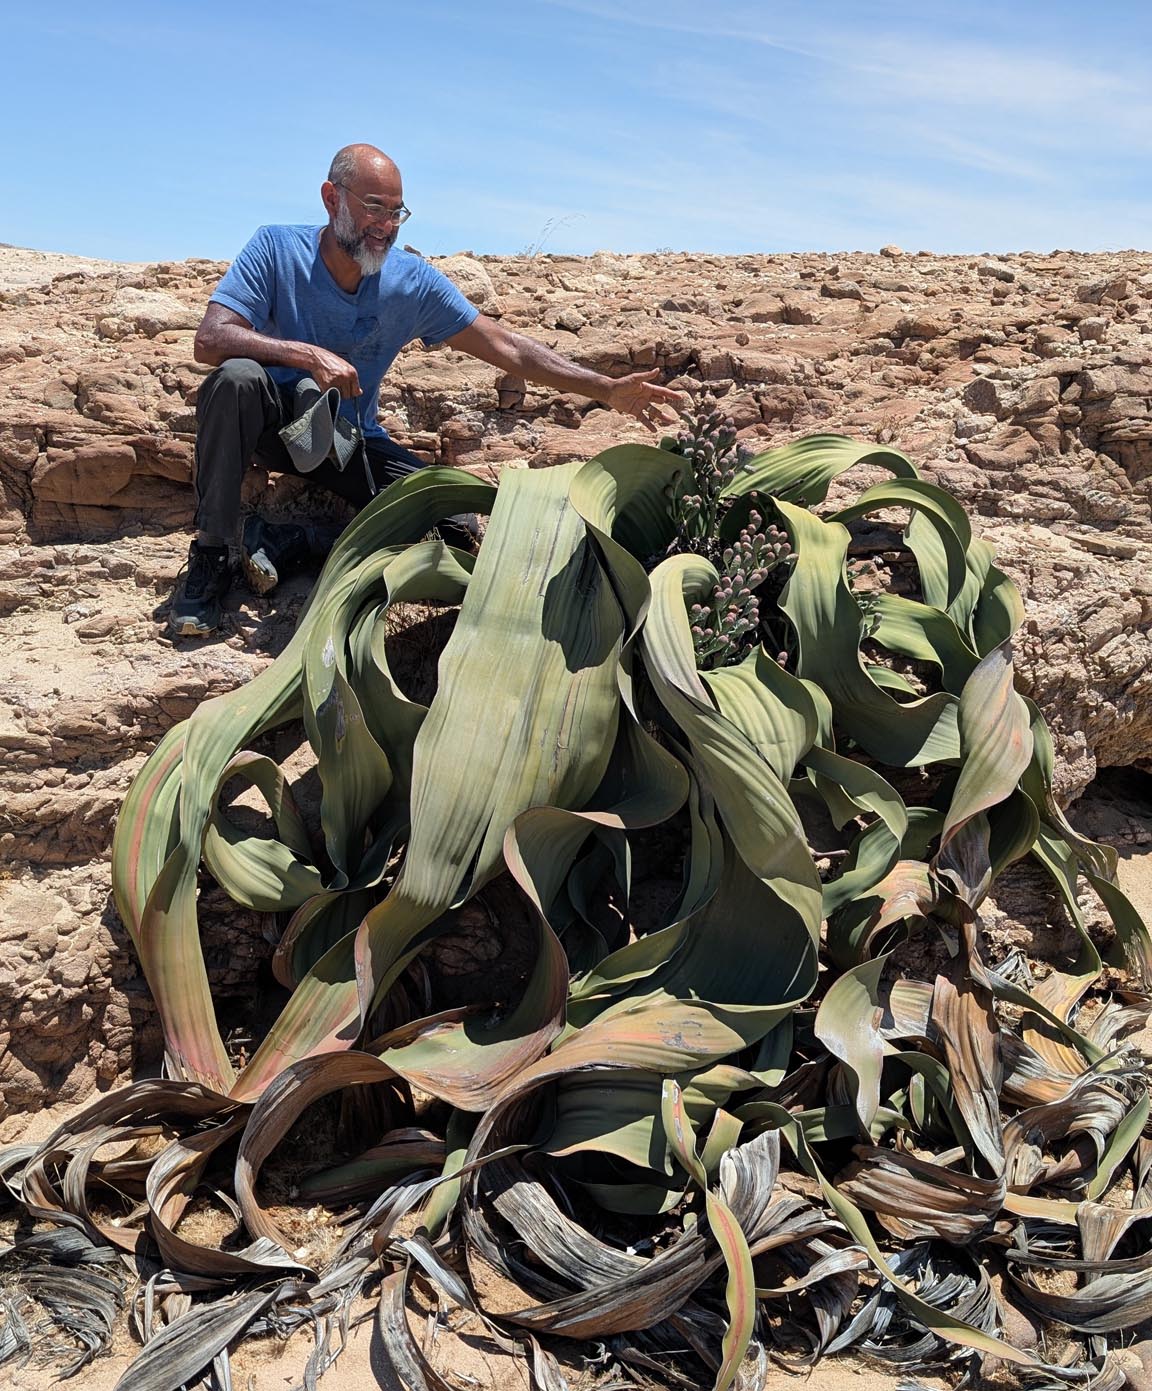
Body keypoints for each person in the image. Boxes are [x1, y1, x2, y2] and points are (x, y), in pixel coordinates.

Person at [171, 142, 683, 636]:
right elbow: (211, 339)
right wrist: (307, 355)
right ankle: (212, 557)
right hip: (269, 424)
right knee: (236, 378)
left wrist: (605, 388)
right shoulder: (276, 248)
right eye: (374, 207)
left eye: (397, 212)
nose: (386, 226)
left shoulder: (410, 283)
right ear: (332, 198)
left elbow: (506, 347)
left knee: (456, 528)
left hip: (345, 438)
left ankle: (293, 539)